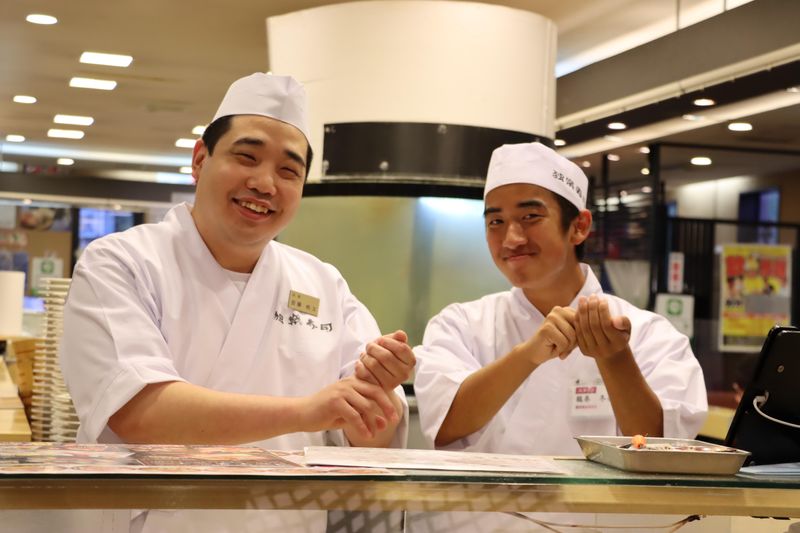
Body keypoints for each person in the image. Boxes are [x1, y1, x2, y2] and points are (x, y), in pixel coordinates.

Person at [59, 73, 414, 533]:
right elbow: (140, 413)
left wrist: (377, 393)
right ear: (200, 160)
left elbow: (372, 436)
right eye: (246, 157)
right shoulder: (122, 262)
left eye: (288, 171)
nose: (264, 183)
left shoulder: (324, 284)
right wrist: (310, 410)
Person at [409, 142, 707, 532]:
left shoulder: (651, 334)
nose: (511, 238)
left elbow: (662, 451)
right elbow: (447, 424)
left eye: (530, 216)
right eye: (495, 222)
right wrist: (528, 355)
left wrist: (615, 359)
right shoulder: (461, 323)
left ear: (579, 226)